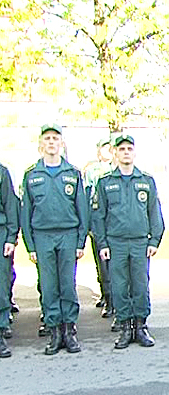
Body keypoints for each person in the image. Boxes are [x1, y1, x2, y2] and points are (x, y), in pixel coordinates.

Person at [20, 123, 88, 354]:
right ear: (41, 144)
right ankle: (54, 331)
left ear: (62, 144)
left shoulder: (73, 174)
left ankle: (69, 330)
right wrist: (30, 245)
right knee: (48, 286)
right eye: (47, 138)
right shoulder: (31, 175)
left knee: (67, 285)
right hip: (42, 236)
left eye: (55, 138)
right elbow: (25, 213)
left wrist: (80, 242)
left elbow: (82, 210)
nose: (51, 142)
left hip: (68, 235)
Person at [92, 135, 165, 349]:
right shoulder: (105, 182)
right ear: (114, 153)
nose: (125, 152)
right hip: (116, 243)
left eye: (129, 149)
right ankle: (125, 328)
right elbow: (99, 216)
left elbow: (154, 212)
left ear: (134, 153)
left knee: (141, 285)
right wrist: (103, 244)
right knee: (120, 286)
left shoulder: (145, 181)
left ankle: (141, 326)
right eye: (121, 149)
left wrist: (154, 240)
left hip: (140, 242)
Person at [84, 137, 116, 318]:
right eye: (103, 148)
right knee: (102, 264)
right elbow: (87, 197)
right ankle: (107, 296)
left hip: (115, 224)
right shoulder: (92, 170)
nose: (107, 152)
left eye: (109, 148)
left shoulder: (116, 168)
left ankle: (116, 300)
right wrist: (89, 224)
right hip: (98, 222)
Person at [0, 162, 20, 357]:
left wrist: (10, 237)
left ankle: (0, 328)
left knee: (0, 284)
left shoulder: (1, 173)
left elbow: (10, 205)